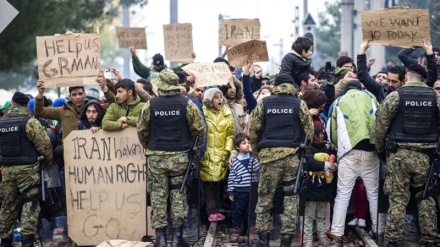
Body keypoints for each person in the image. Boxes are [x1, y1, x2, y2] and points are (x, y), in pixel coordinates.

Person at [136, 69, 205, 247]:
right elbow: (200, 129)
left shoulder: (150, 105)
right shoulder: (187, 104)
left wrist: (150, 147)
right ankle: (176, 237)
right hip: (180, 157)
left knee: (158, 196)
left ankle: (160, 238)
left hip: (156, 158)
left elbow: (142, 130)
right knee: (178, 195)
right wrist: (193, 151)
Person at [373, 63, 440, 247]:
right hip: (425, 157)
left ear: (407, 78)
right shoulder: (436, 97)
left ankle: (394, 241)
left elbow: (380, 127)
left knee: (397, 199)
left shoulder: (395, 97)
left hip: (398, 156)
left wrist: (380, 150)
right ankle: (431, 240)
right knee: (426, 198)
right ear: (424, 80)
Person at [249, 73, 314, 247]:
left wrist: (258, 153)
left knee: (264, 198)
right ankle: (286, 241)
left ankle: (263, 240)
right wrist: (303, 151)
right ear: (291, 85)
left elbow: (253, 130)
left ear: (276, 86)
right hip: (292, 157)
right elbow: (309, 131)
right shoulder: (299, 104)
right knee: (291, 199)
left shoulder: (264, 103)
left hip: (269, 158)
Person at [326, 80, 380, 246]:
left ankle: (336, 235)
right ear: (360, 88)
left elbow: (331, 131)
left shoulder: (338, 102)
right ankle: (380, 231)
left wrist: (339, 147)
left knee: (342, 195)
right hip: (372, 151)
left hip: (349, 154)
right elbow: (381, 121)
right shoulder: (371, 97)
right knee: (374, 194)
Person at [0, 92, 53, 247]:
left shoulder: (2, 122)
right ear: (25, 106)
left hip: (6, 172)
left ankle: (4, 241)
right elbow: (45, 146)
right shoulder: (30, 122)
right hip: (28, 172)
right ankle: (27, 241)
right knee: (31, 204)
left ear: (12, 105)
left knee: (7, 206)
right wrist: (48, 162)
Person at [35, 80, 115, 140]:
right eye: (74, 94)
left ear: (84, 94)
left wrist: (104, 88)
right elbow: (39, 112)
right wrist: (40, 94)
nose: (78, 97)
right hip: (70, 153)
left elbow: (114, 104)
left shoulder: (94, 107)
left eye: (80, 94)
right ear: (69, 97)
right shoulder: (61, 111)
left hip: (92, 151)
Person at [200, 88, 234, 222]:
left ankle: (217, 209)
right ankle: (211, 210)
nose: (220, 99)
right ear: (209, 99)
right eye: (216, 97)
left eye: (220, 97)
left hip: (221, 153)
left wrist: (227, 150)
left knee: (219, 184)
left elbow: (230, 134)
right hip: (207, 153)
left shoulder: (226, 112)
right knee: (208, 185)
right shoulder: (203, 111)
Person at [303, 124, 337, 247]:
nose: (322, 135)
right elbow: (311, 163)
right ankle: (308, 240)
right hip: (311, 188)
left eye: (323, 133)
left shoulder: (328, 149)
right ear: (314, 136)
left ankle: (323, 239)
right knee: (309, 216)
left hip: (325, 189)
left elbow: (335, 162)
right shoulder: (309, 149)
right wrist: (328, 166)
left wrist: (334, 167)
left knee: (321, 216)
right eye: (320, 133)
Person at [228, 133, 260, 243]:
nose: (247, 145)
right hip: (239, 191)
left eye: (249, 143)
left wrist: (252, 154)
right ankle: (236, 230)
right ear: (237, 147)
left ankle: (252, 231)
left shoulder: (252, 158)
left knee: (251, 211)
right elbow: (231, 177)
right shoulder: (236, 161)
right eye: (244, 143)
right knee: (237, 211)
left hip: (252, 191)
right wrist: (231, 191)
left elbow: (256, 168)